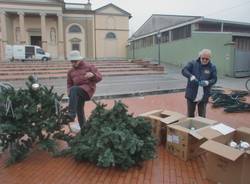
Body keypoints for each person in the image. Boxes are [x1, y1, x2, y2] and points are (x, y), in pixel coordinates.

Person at [66, 50, 102, 132]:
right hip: (76, 93)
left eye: (75, 61)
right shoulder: (70, 72)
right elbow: (69, 84)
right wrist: (70, 93)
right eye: (71, 61)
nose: (73, 63)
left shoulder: (89, 67)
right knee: (79, 109)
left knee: (74, 89)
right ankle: (84, 129)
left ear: (79, 60)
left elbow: (100, 77)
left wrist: (93, 75)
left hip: (88, 90)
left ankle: (71, 114)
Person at [182, 49, 217, 117]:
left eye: (207, 59)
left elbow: (214, 79)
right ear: (200, 56)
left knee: (202, 116)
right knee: (190, 114)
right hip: (191, 93)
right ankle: (190, 126)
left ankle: (202, 127)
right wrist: (191, 76)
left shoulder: (212, 67)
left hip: (204, 95)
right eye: (203, 58)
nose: (204, 60)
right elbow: (184, 70)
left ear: (210, 58)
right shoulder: (193, 63)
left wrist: (208, 82)